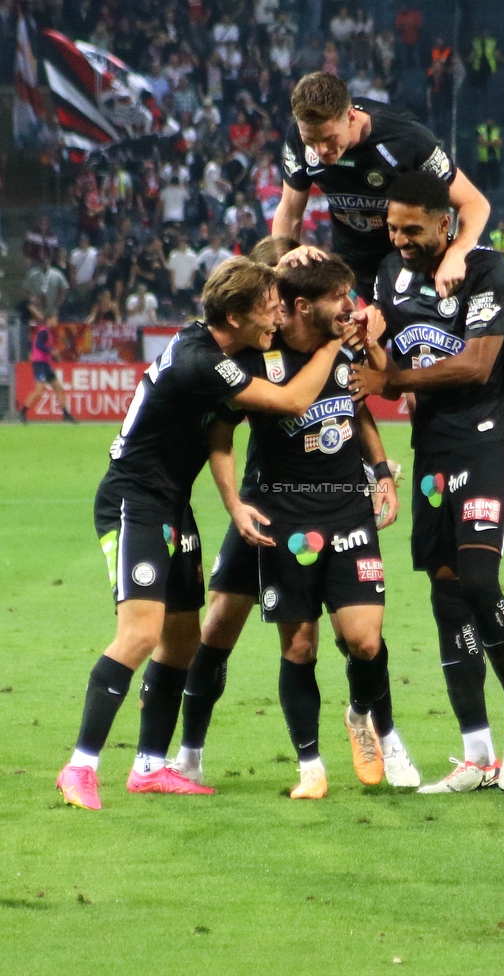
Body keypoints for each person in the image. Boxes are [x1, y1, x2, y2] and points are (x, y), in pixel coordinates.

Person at [55, 258, 350, 811]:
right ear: (236, 316)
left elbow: (218, 430)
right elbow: (290, 402)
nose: (278, 316)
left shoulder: (223, 340)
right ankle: (80, 766)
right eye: (268, 308)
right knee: (141, 634)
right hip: (133, 503)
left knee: (183, 640)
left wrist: (280, 261)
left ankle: (149, 766)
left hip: (172, 507)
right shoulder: (201, 362)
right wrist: (334, 344)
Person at [176, 243, 418, 795]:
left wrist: (381, 469)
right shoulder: (261, 347)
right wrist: (234, 502)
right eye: (339, 297)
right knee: (224, 631)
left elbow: (361, 405)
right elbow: (226, 423)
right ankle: (191, 754)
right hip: (272, 508)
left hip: (341, 505)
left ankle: (377, 725)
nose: (350, 305)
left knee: (363, 640)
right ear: (299, 303)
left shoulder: (344, 337)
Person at [349, 171, 504, 794]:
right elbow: (394, 360)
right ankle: (476, 753)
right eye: (392, 228)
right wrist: (372, 347)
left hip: (490, 430)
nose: (401, 239)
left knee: (482, 581)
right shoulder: (387, 273)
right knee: (446, 590)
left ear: (446, 223)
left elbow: (477, 363)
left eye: (413, 228)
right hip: (432, 440)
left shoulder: (488, 269)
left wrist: (390, 384)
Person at [272, 72, 490, 303]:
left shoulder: (405, 137)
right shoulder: (298, 137)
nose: (320, 150)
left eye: (329, 138)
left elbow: (474, 203)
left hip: (410, 266)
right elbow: (289, 212)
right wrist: (282, 268)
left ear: (350, 116)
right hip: (351, 269)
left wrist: (456, 253)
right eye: (311, 141)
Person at [19, 316, 76, 423]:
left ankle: (65, 413)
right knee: (40, 390)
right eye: (55, 319)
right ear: (49, 320)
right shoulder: (44, 332)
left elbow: (35, 344)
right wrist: (51, 351)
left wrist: (52, 352)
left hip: (45, 363)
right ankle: (23, 412)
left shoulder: (49, 333)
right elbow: (38, 345)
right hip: (40, 363)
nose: (56, 322)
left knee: (58, 388)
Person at [476, 119, 502, 190]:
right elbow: (481, 142)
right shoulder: (480, 129)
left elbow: (499, 143)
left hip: (494, 158)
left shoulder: (497, 129)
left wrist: (486, 143)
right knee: (483, 182)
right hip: (483, 159)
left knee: (495, 181)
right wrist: (493, 143)